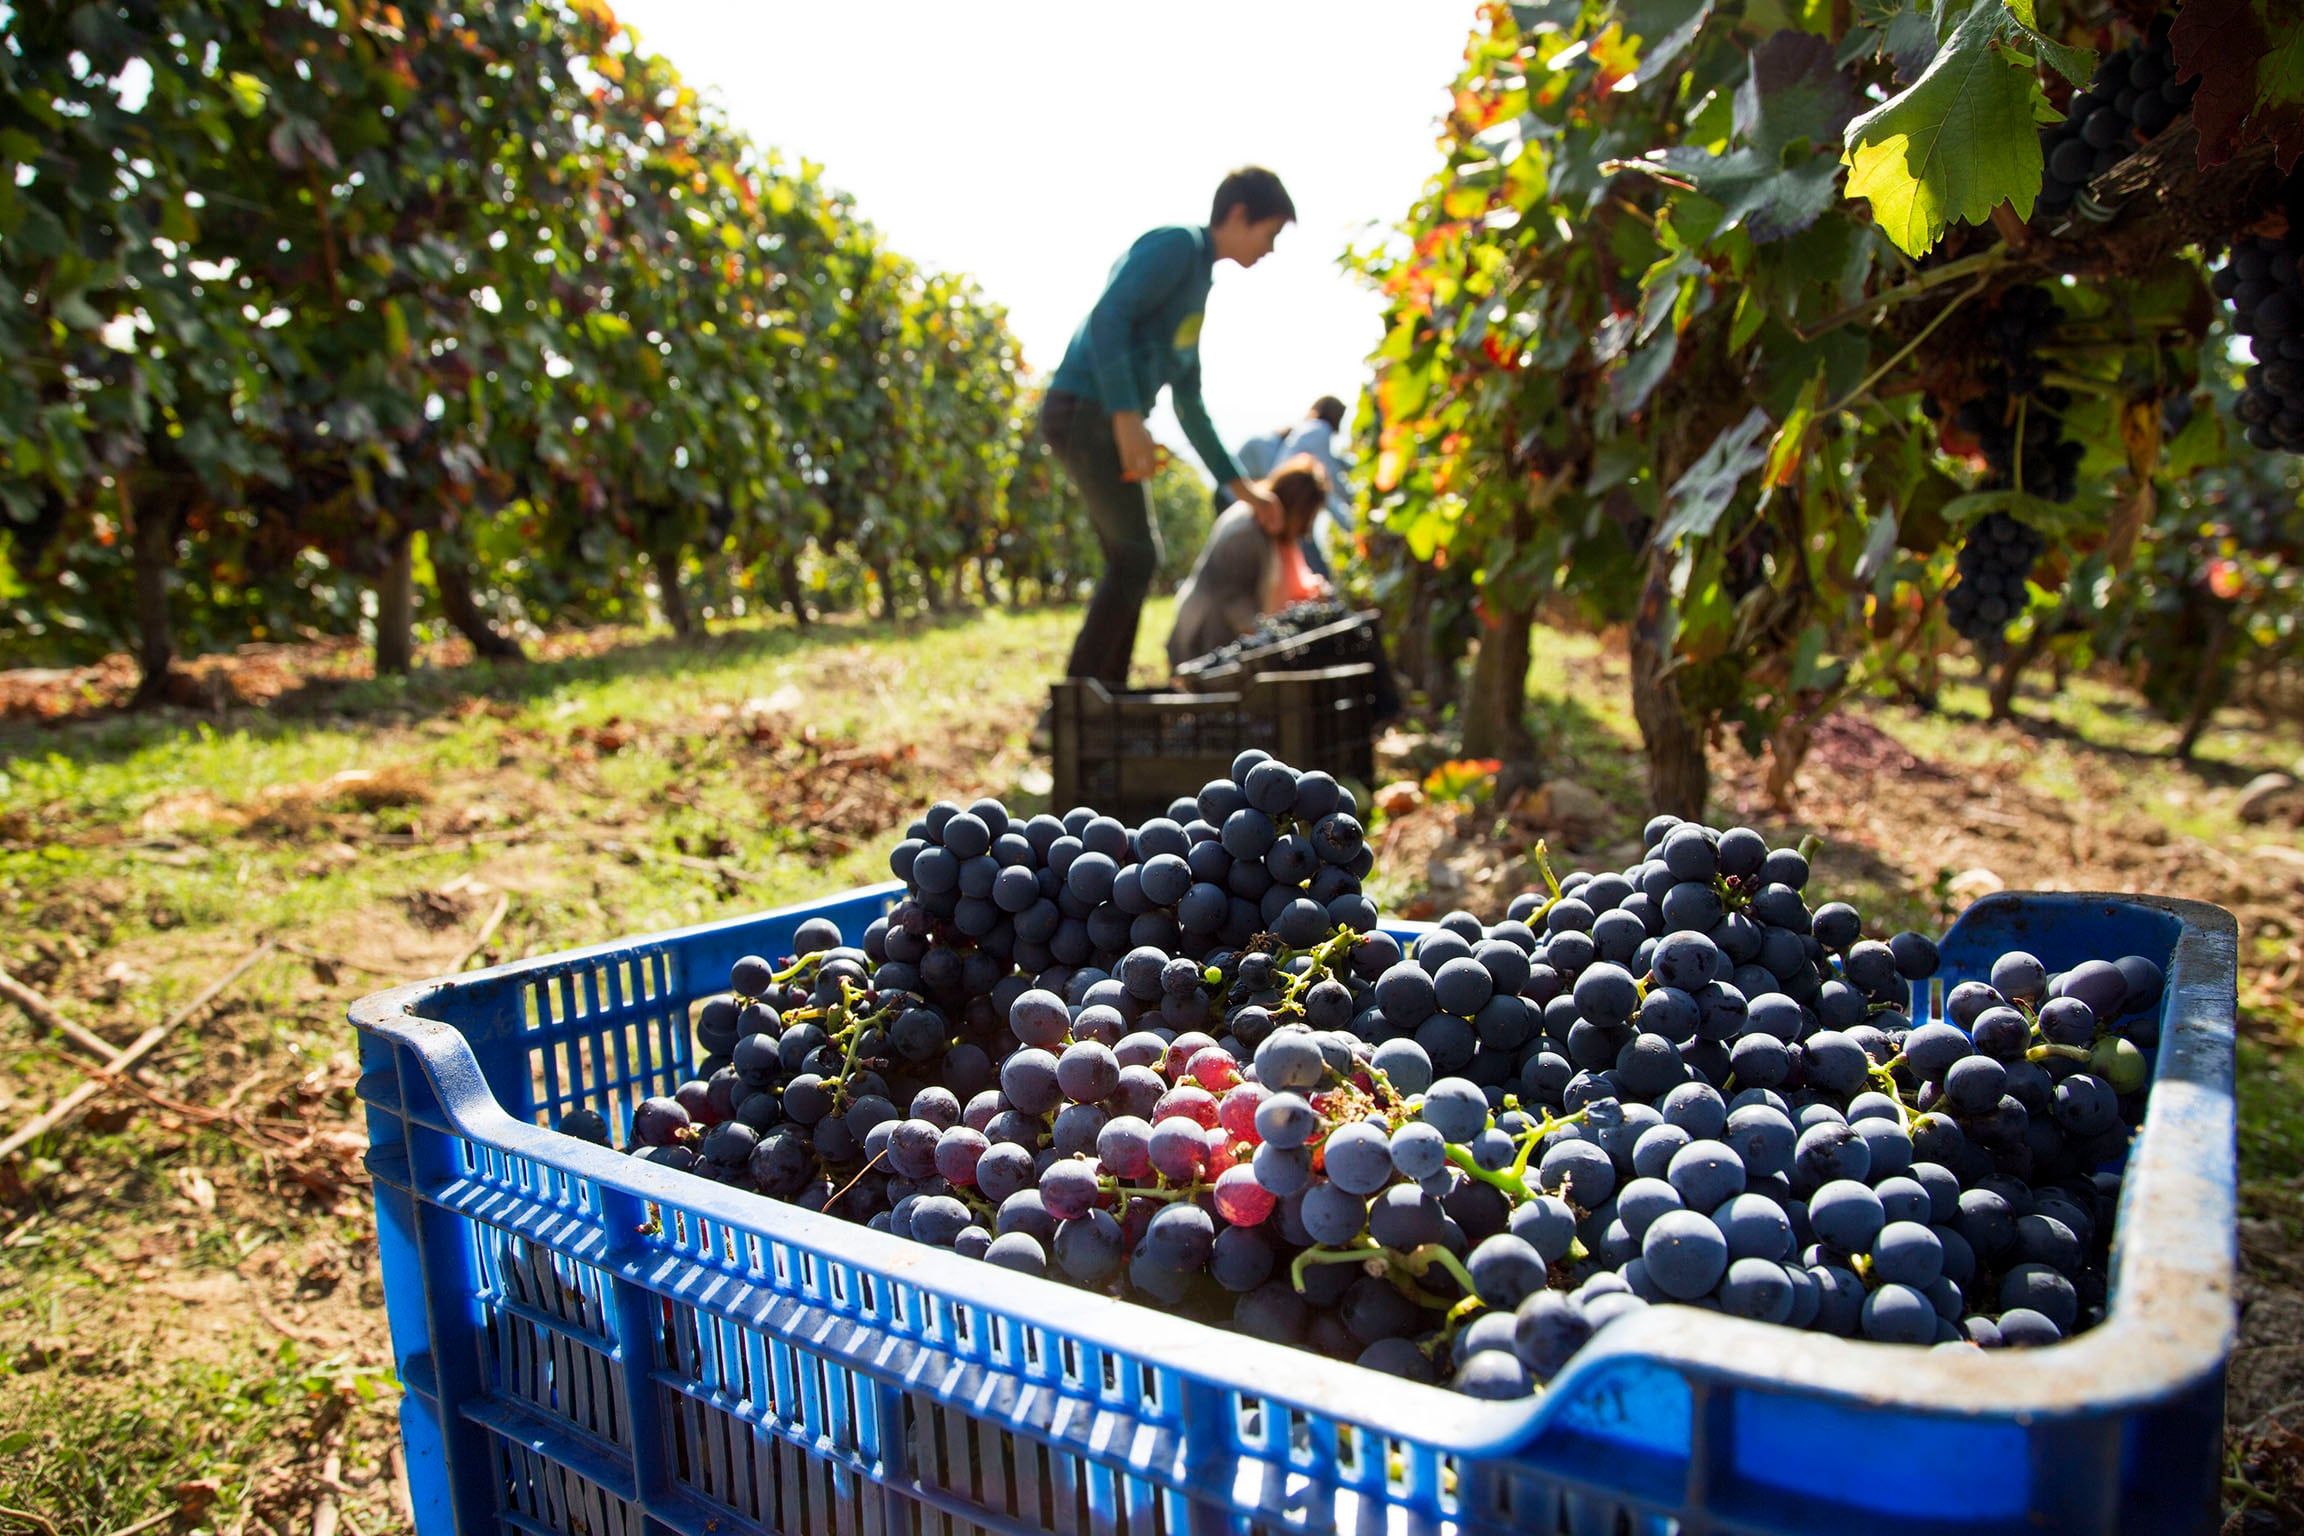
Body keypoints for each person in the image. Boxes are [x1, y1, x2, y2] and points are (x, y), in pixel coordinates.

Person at [1042, 166, 1294, 694]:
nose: (1269, 251)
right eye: (1268, 234)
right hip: (1085, 410)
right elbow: (1109, 316)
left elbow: (1189, 401)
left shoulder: (1198, 284)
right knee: (1136, 555)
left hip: (1103, 415)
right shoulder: (1177, 246)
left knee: (1132, 558)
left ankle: (1097, 696)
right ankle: (1079, 699)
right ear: (1239, 214)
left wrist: (1242, 488)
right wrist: (1126, 416)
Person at [1166, 455, 1331, 671]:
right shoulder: (1246, 532)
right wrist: (1272, 638)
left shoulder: (1268, 532)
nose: (1307, 529)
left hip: (1222, 642)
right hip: (1203, 642)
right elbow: (1233, 601)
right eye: (1307, 518)